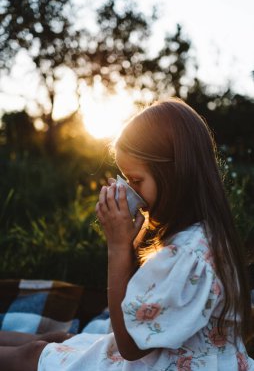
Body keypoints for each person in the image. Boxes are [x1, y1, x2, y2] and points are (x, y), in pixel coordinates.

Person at [1, 98, 253, 370]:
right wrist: (136, 236)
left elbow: (130, 346)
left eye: (136, 180)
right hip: (189, 355)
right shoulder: (207, 234)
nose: (130, 190)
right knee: (60, 339)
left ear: (174, 174)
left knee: (32, 354)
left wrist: (118, 247)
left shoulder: (185, 255)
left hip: (166, 363)